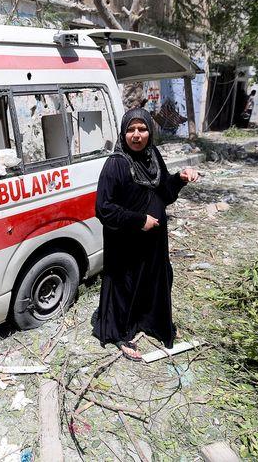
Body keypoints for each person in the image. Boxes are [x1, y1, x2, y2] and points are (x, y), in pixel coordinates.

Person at [93, 108, 199, 360]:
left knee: (155, 278)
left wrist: (180, 178)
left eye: (142, 129)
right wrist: (139, 220)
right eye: (131, 129)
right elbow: (103, 208)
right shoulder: (116, 164)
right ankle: (120, 334)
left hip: (153, 240)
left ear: (150, 131)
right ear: (123, 133)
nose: (137, 135)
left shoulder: (153, 156)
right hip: (125, 241)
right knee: (125, 285)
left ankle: (148, 322)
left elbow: (164, 193)